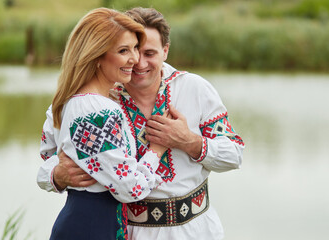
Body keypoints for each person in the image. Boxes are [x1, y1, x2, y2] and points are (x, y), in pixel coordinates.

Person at [38, 7, 245, 240]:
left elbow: (234, 153)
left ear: (165, 51)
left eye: (149, 53)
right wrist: (56, 176)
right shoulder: (96, 96)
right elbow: (49, 156)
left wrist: (190, 142)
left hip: (194, 230)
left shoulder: (195, 89)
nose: (138, 61)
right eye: (129, 50)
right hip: (126, 231)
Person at [39, 8, 168, 240]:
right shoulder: (99, 112)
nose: (135, 59)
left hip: (84, 223)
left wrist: (60, 173)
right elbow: (131, 189)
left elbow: (48, 154)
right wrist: (156, 152)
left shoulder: (68, 101)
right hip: (92, 228)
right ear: (96, 56)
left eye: (135, 48)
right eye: (123, 50)